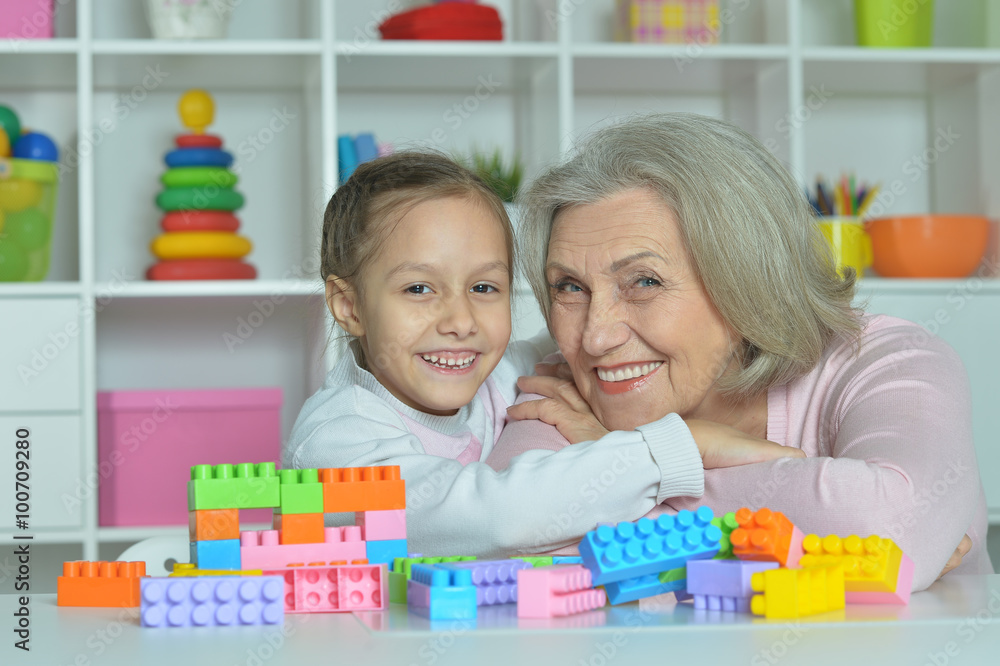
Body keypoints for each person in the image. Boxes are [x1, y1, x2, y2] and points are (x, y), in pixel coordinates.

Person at [488, 112, 991, 591]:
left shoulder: (886, 362)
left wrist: (634, 474)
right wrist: (833, 541)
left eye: (644, 281)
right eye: (569, 288)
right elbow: (497, 546)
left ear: (748, 282)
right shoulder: (562, 386)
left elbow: (889, 522)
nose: (594, 338)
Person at [283, 150, 800, 557]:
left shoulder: (502, 372)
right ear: (348, 305)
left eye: (484, 288)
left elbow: (588, 348)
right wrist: (675, 447)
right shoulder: (336, 439)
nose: (460, 322)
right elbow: (488, 519)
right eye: (419, 290)